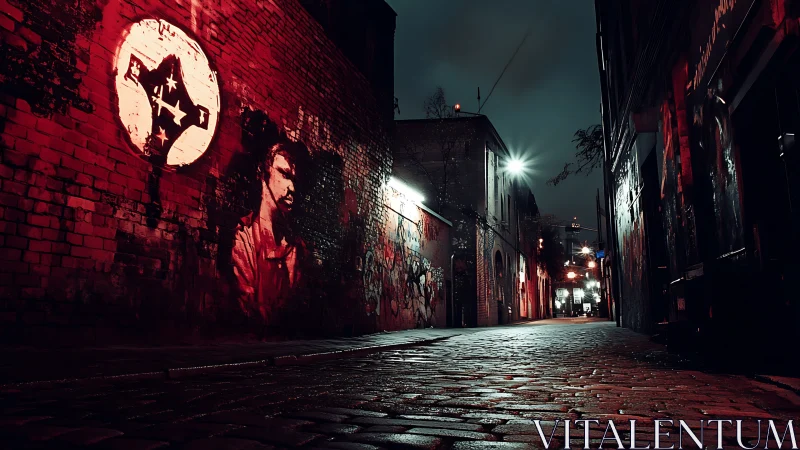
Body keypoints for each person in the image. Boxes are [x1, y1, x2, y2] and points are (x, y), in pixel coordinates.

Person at [231, 139, 309, 324]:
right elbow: (247, 305)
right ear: (263, 175)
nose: (292, 188)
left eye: (294, 180)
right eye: (284, 174)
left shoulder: (296, 248)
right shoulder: (245, 236)